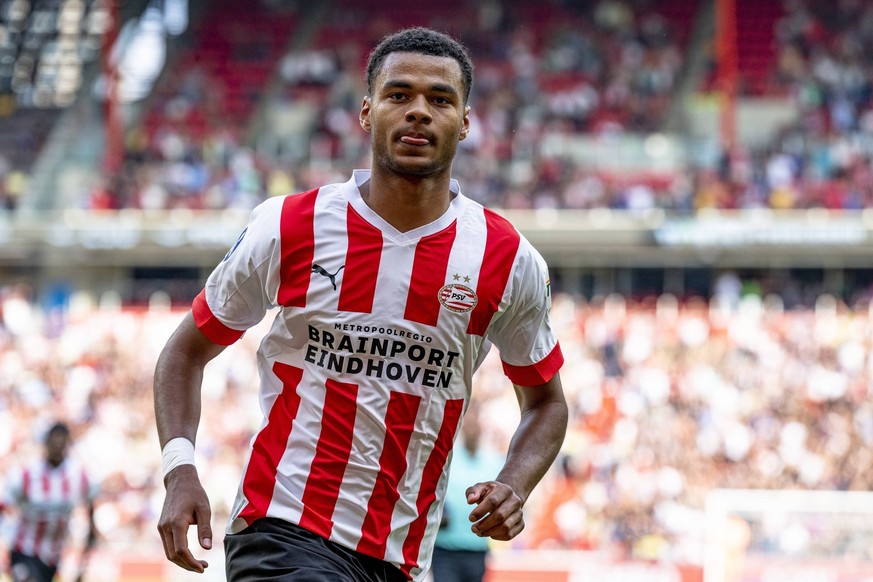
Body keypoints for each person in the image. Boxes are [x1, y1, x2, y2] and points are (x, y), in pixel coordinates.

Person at [154, 26, 568, 582]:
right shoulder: (290, 226)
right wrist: (179, 470)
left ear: (465, 122)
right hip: (283, 529)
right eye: (400, 95)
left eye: (439, 99)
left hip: (401, 559)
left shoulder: (508, 258)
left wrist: (515, 483)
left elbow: (546, 402)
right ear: (367, 113)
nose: (418, 111)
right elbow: (185, 352)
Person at [0, 422, 99, 582]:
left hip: (54, 556)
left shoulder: (78, 475)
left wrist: (88, 544)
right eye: (53, 443)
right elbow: (5, 504)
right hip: (24, 550)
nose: (57, 448)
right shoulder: (26, 474)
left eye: (61, 444)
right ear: (46, 443)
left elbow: (90, 504)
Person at [431, 408, 505, 582]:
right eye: (468, 424)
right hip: (446, 548)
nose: (472, 428)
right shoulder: (449, 457)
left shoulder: (494, 460)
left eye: (475, 424)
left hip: (477, 547)